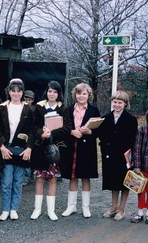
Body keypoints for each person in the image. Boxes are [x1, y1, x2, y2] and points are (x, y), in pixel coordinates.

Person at [30, 81, 72, 221]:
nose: (52, 94)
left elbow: (67, 128)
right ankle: (37, 209)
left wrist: (52, 133)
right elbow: (34, 126)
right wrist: (42, 133)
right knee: (40, 178)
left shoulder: (63, 109)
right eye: (50, 91)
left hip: (56, 149)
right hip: (41, 147)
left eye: (55, 91)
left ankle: (51, 210)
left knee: (53, 179)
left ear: (59, 93)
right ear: (46, 92)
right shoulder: (39, 107)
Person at [0, 78, 34, 221]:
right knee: (6, 181)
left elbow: (32, 130)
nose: (16, 93)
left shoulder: (28, 108)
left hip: (22, 150)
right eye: (13, 91)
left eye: (19, 91)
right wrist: (2, 147)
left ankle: (14, 209)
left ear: (22, 92)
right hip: (7, 149)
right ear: (9, 92)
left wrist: (29, 148)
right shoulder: (3, 107)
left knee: (18, 181)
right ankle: (5, 209)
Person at [97, 90, 138, 221]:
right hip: (109, 155)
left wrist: (133, 158)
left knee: (124, 183)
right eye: (115, 102)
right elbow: (101, 136)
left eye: (120, 102)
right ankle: (113, 207)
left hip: (124, 157)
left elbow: (133, 140)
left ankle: (122, 209)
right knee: (113, 182)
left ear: (125, 104)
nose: (117, 105)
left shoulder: (131, 119)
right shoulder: (105, 117)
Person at [61, 83, 100, 218]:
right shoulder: (68, 109)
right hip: (72, 146)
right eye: (79, 93)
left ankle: (85, 207)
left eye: (84, 94)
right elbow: (64, 127)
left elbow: (99, 131)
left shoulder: (93, 110)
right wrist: (72, 132)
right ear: (75, 95)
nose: (81, 96)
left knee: (85, 176)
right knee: (73, 177)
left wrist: (89, 132)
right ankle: (71, 207)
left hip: (87, 148)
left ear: (89, 95)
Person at [23, 90, 36, 186]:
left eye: (30, 99)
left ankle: (30, 176)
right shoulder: (20, 108)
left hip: (33, 135)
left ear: (33, 100)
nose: (28, 101)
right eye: (26, 99)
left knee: (31, 157)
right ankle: (26, 177)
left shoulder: (35, 110)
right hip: (23, 135)